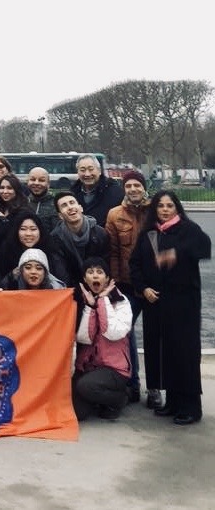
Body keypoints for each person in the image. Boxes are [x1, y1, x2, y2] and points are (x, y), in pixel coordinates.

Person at [129, 190, 211, 425]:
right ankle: (173, 402)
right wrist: (143, 288)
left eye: (170, 205)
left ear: (177, 208)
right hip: (156, 302)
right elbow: (134, 264)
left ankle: (191, 406)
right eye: (160, 206)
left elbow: (204, 248)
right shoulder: (149, 233)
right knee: (164, 353)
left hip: (183, 303)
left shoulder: (188, 229)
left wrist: (175, 254)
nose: (165, 210)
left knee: (183, 353)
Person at [105, 169, 152, 405]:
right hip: (126, 284)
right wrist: (113, 283)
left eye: (137, 185)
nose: (133, 189)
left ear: (144, 187)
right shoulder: (114, 215)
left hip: (152, 285)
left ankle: (156, 387)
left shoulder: (155, 210)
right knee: (126, 334)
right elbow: (112, 251)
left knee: (156, 336)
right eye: (128, 186)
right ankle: (133, 382)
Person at [72, 257, 132, 420]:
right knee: (77, 413)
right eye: (90, 272)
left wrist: (103, 300)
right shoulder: (83, 301)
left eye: (100, 272)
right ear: (85, 279)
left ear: (107, 278)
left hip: (114, 369)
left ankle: (120, 398)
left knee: (85, 386)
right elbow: (84, 338)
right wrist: (91, 307)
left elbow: (112, 332)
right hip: (88, 367)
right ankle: (97, 400)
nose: (95, 276)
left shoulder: (121, 301)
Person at [49, 191, 110, 287]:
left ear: (80, 208)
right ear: (60, 216)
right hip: (72, 287)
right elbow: (62, 272)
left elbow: (105, 265)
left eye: (72, 202)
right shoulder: (55, 239)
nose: (70, 207)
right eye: (64, 205)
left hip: (98, 285)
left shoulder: (99, 233)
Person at [0, 209, 67, 286]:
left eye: (33, 229)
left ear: (40, 231)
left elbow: (63, 283)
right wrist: (12, 275)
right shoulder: (7, 251)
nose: (28, 234)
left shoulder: (51, 252)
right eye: (23, 229)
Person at [70, 154, 123, 227]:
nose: (87, 174)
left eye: (91, 169)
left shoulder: (115, 192)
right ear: (78, 173)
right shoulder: (72, 194)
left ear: (99, 171)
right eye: (82, 170)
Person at [25, 166, 60, 233]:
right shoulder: (22, 204)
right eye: (32, 179)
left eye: (41, 180)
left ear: (48, 184)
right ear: (27, 181)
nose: (36, 183)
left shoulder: (57, 205)